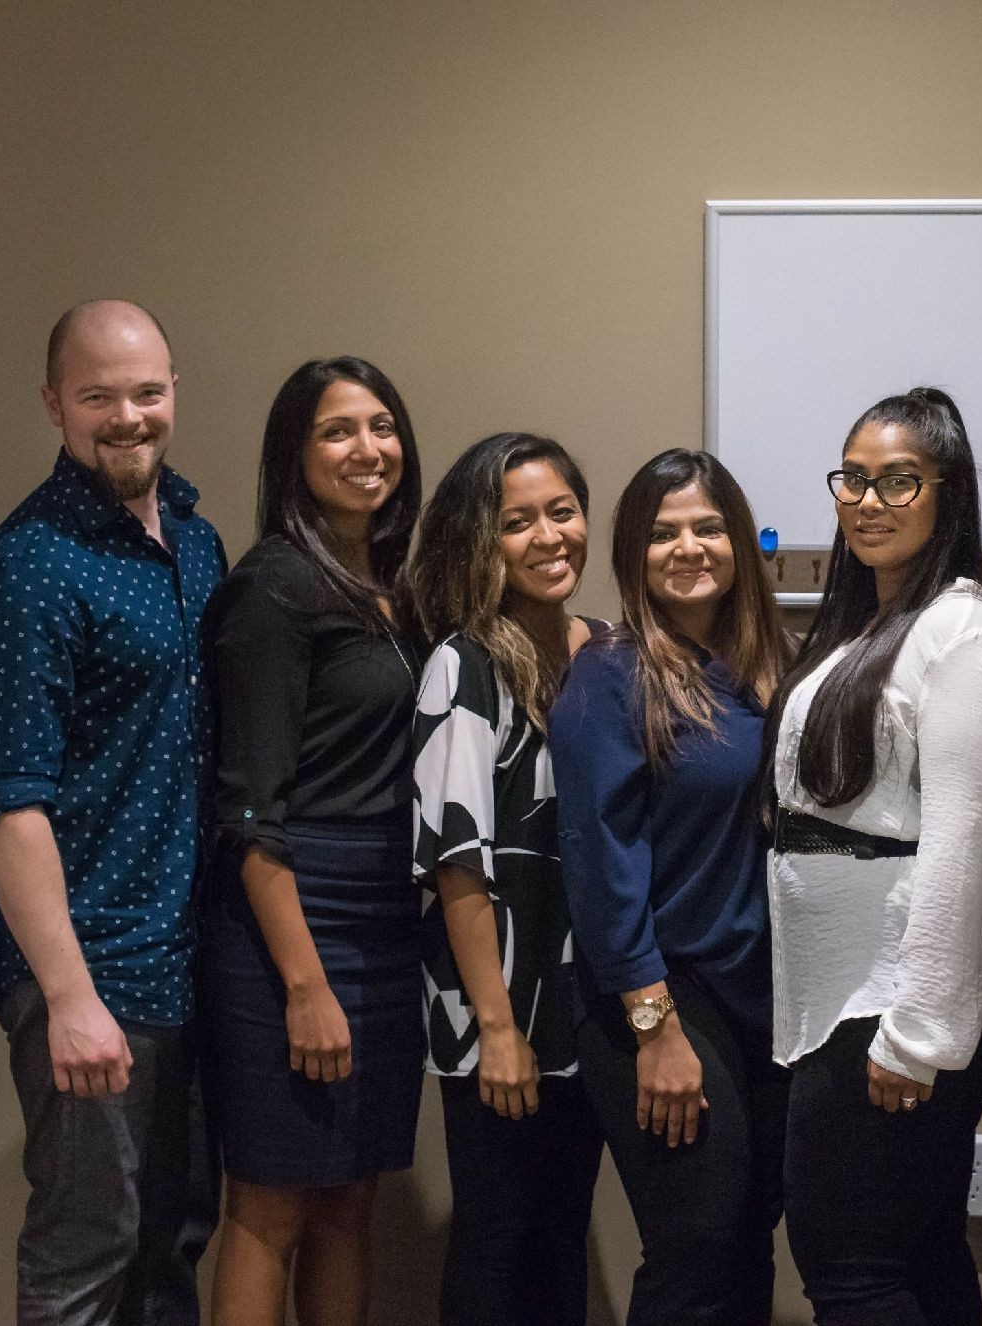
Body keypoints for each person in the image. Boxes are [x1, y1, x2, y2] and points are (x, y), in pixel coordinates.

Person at [0, 299, 225, 1325]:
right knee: (86, 1251)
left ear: (173, 392)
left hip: (180, 954)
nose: (128, 417)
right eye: (98, 396)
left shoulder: (194, 543)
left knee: (170, 1245)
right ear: (53, 404)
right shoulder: (28, 568)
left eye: (146, 392)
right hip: (90, 964)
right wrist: (68, 997)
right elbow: (7, 806)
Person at [766, 387, 982, 1326]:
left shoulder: (963, 636)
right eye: (854, 480)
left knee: (850, 1266)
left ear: (948, 495)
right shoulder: (867, 623)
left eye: (899, 482)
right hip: (840, 996)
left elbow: (961, 843)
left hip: (888, 1005)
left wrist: (918, 1033)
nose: (868, 502)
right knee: (914, 1255)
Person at [201, 357, 427, 1326]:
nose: (367, 448)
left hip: (386, 925)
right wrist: (304, 987)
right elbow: (251, 813)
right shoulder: (273, 589)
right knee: (270, 1208)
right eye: (337, 431)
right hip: (289, 929)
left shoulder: (398, 589)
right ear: (294, 455)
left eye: (381, 426)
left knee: (349, 1199)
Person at [549, 449, 795, 1324]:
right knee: (696, 1246)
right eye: (663, 534)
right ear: (633, 554)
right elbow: (600, 859)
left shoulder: (777, 670)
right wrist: (654, 1028)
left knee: (751, 1239)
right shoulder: (610, 676)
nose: (688, 548)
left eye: (707, 528)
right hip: (660, 994)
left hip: (765, 999)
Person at [404, 432, 607, 1326]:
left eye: (562, 512)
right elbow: (456, 858)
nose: (548, 537)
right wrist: (496, 1028)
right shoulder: (466, 664)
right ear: (480, 542)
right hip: (500, 1013)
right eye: (517, 523)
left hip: (588, 1011)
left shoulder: (606, 653)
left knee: (562, 1236)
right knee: (498, 1240)